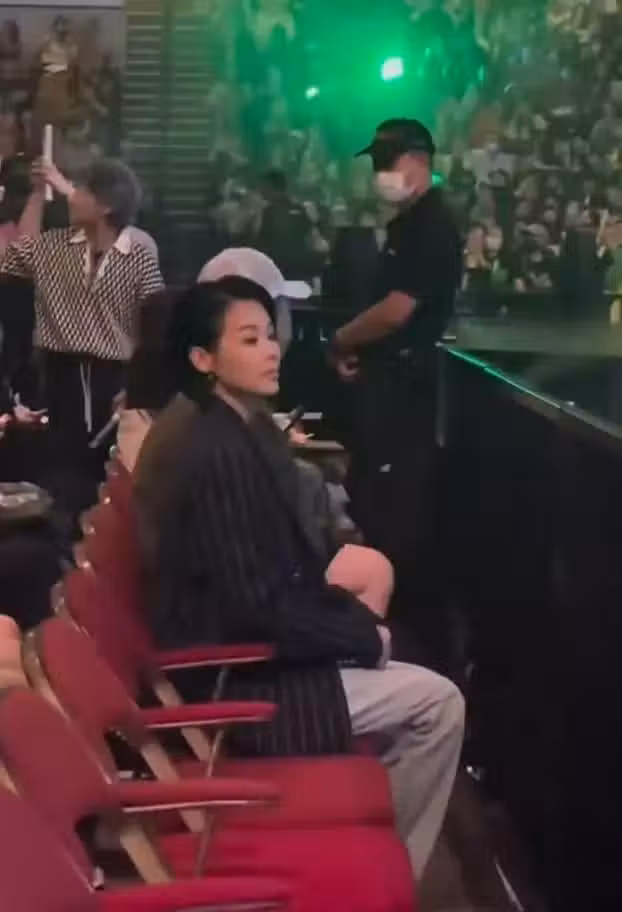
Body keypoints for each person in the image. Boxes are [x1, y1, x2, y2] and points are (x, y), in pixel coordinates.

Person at [137, 276, 464, 880]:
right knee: (438, 704)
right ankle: (388, 877)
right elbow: (253, 610)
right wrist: (361, 639)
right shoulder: (219, 453)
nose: (271, 350)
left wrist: (354, 630)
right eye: (249, 339)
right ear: (203, 359)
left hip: (254, 656)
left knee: (403, 663)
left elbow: (278, 581)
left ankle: (379, 865)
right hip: (237, 681)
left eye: (270, 335)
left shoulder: (236, 427)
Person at [328, 118, 463, 670]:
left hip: (409, 395)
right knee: (377, 508)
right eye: (377, 163)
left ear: (420, 159)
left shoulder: (432, 224)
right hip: (388, 384)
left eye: (390, 161)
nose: (381, 173)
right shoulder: (407, 224)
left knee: (399, 525)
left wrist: (344, 337)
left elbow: (399, 310)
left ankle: (410, 653)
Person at [0, 158, 163, 512]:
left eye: (82, 190)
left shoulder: (138, 249)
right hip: (61, 369)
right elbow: (16, 255)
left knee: (114, 463)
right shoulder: (57, 246)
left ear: (106, 205)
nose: (72, 198)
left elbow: (154, 323)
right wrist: (38, 194)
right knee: (64, 463)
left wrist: (139, 380)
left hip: (117, 373)